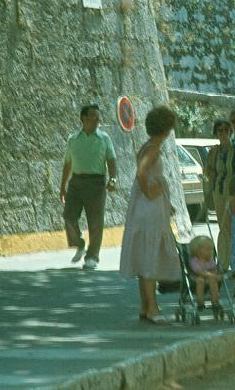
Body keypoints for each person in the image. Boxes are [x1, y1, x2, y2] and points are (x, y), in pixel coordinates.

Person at [119, 106, 181, 324]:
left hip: (144, 207)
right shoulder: (153, 149)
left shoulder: (147, 146)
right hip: (150, 208)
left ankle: (145, 306)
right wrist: (150, 192)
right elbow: (142, 172)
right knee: (150, 256)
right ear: (166, 128)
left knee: (145, 254)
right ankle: (153, 308)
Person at [59, 104, 118, 270]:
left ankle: (92, 257)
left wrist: (113, 179)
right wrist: (62, 186)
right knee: (69, 216)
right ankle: (79, 242)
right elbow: (67, 164)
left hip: (96, 183)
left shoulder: (104, 138)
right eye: (94, 117)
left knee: (95, 222)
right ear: (84, 119)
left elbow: (111, 161)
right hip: (76, 182)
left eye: (99, 117)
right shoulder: (73, 139)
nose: (98, 120)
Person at [204, 119, 235, 271]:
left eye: (227, 130)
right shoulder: (214, 152)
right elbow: (208, 171)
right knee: (223, 228)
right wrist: (211, 175)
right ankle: (224, 263)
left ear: (230, 132)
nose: (224, 133)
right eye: (220, 130)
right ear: (216, 133)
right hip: (219, 193)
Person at [188, 235, 221, 313]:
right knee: (200, 281)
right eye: (207, 249)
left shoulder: (210, 260)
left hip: (208, 278)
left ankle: (215, 301)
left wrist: (216, 275)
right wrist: (211, 275)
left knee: (213, 280)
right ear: (197, 251)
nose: (210, 251)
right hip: (195, 277)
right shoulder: (194, 260)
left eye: (211, 249)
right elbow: (198, 271)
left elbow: (213, 269)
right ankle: (200, 302)